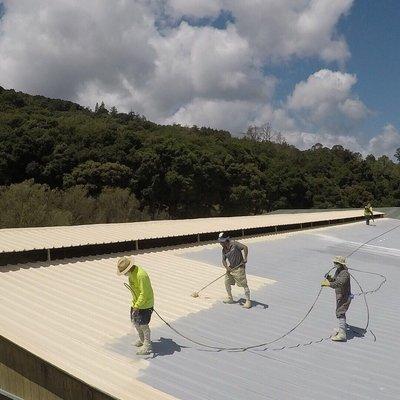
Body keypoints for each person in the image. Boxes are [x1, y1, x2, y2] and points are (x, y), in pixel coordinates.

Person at [117, 256, 154, 355]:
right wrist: (135, 304)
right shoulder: (131, 275)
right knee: (135, 322)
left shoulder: (141, 275)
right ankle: (142, 340)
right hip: (136, 303)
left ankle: (147, 344)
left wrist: (137, 305)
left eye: (124, 272)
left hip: (146, 304)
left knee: (143, 324)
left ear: (129, 268)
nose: (124, 274)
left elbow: (144, 293)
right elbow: (134, 291)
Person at [321, 256, 352, 342]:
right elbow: (335, 280)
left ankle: (342, 334)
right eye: (334, 262)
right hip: (340, 295)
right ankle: (342, 328)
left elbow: (339, 283)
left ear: (341, 264)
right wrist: (329, 278)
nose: (334, 264)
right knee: (340, 311)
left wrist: (328, 284)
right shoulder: (338, 271)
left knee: (340, 312)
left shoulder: (345, 273)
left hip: (344, 296)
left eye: (336, 263)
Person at [218, 232, 251, 309]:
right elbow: (223, 260)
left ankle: (248, 301)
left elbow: (245, 247)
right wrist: (226, 267)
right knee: (226, 282)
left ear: (226, 240)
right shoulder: (224, 250)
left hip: (239, 267)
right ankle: (230, 298)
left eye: (222, 241)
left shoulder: (234, 244)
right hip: (231, 268)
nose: (220, 243)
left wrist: (245, 258)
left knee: (243, 284)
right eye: (220, 241)